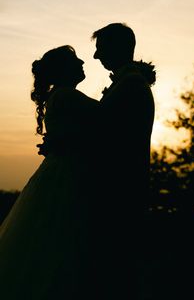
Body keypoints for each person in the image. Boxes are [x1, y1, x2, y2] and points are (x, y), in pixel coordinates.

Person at [0, 46, 99, 299]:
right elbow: (108, 115)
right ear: (65, 69)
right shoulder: (66, 96)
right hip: (69, 175)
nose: (82, 62)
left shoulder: (60, 96)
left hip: (62, 170)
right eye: (75, 60)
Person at [90, 23, 156, 299]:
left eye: (100, 49)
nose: (95, 57)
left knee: (118, 268)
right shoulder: (127, 81)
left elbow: (101, 131)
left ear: (117, 48)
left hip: (121, 188)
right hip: (122, 185)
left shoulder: (129, 84)